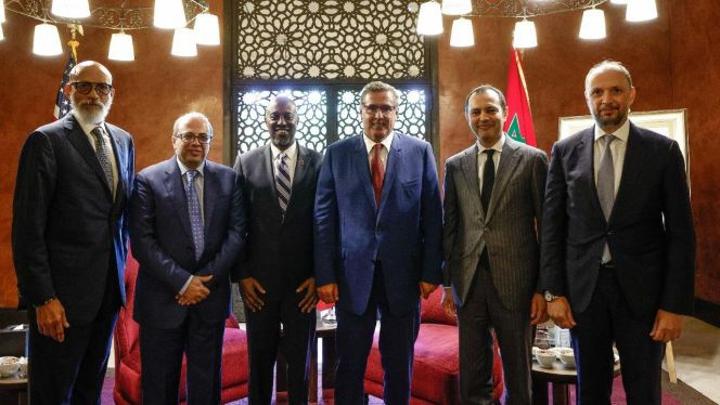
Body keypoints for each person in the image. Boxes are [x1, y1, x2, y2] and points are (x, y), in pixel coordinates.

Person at [540, 60, 696, 404]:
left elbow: (682, 233)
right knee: (590, 392)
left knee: (644, 391)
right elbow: (552, 228)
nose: (606, 99)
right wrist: (553, 292)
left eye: (616, 91)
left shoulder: (663, 151)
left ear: (632, 95)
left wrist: (675, 305)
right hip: (585, 294)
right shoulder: (565, 152)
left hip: (643, 295)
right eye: (597, 92)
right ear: (587, 98)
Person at [12, 60, 135, 404]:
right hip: (61, 301)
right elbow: (28, 228)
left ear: (112, 94)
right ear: (69, 90)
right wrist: (43, 298)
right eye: (84, 86)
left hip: (107, 295)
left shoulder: (123, 141)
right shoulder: (46, 140)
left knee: (89, 391)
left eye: (102, 88)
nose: (93, 94)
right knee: (53, 393)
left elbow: (119, 216)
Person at [314, 81, 443, 404]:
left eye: (386, 108)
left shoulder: (419, 152)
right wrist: (325, 275)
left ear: (396, 112)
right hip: (352, 277)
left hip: (404, 277)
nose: (379, 115)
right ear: (361, 111)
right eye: (372, 107)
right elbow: (324, 219)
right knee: (349, 363)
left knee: (399, 364)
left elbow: (432, 216)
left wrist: (431, 272)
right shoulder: (337, 154)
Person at [129, 112, 246, 404]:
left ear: (210, 142)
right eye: (188, 136)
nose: (196, 142)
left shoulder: (229, 179)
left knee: (206, 386)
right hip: (162, 300)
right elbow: (142, 243)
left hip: (209, 298)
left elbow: (237, 234)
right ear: (174, 140)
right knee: (159, 387)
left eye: (203, 137)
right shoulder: (147, 180)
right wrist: (184, 282)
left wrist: (202, 282)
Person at [442, 85, 548, 404]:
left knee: (518, 375)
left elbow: (547, 228)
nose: (483, 117)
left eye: (490, 109)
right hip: (470, 284)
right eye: (476, 111)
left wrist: (542, 288)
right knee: (473, 375)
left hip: (517, 283)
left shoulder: (532, 160)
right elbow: (451, 228)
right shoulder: (455, 165)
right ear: (467, 117)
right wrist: (448, 283)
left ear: (504, 112)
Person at [233, 95, 322, 404]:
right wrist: (242, 276)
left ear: (297, 119)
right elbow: (237, 224)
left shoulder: (319, 162)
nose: (281, 122)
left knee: (300, 364)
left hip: (303, 285)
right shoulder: (246, 162)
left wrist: (319, 275)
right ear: (266, 121)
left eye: (288, 116)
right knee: (259, 363)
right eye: (275, 116)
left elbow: (325, 224)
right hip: (259, 285)